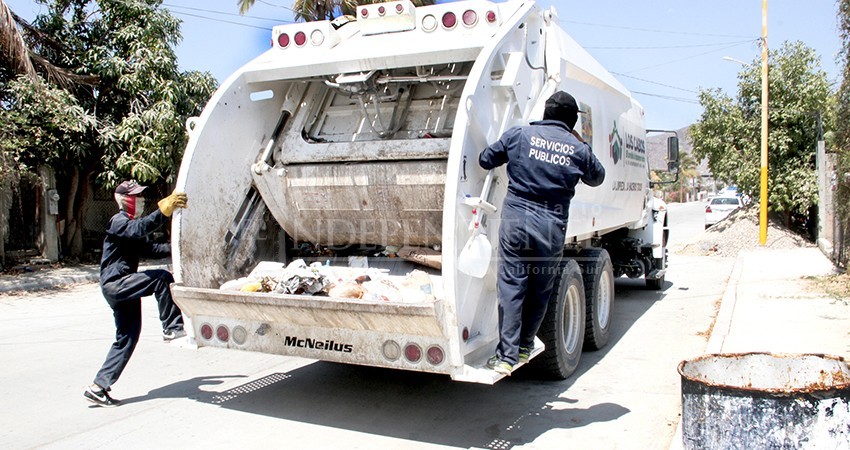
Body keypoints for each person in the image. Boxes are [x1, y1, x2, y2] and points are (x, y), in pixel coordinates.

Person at [478, 91, 605, 375]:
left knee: (512, 288)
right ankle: (525, 345)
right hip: (551, 226)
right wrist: (580, 143)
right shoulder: (578, 149)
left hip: (517, 221)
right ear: (572, 121)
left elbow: (485, 159)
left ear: (546, 113)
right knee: (540, 289)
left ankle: (507, 356)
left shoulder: (519, 135)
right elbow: (597, 177)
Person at [84, 181, 189, 407]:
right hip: (116, 283)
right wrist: (163, 211)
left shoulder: (130, 226)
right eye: (136, 197)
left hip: (122, 287)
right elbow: (139, 229)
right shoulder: (119, 222)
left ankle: (98, 387)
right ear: (123, 199)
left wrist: (180, 246)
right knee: (161, 278)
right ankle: (172, 327)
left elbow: (150, 250)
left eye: (142, 197)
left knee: (127, 338)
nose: (141, 200)